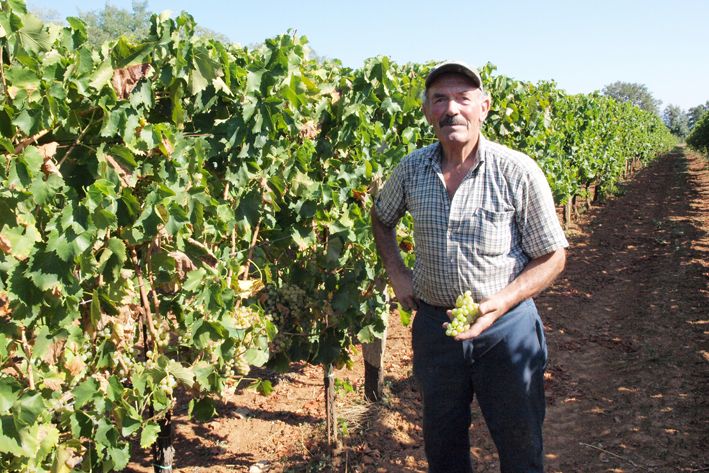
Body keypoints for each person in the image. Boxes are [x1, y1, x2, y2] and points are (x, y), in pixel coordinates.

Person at [371, 61, 568, 473]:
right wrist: (397, 272)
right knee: (442, 447)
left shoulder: (517, 170)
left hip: (506, 331)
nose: (452, 109)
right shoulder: (411, 169)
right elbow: (381, 218)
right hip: (436, 329)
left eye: (463, 98)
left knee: (520, 445)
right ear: (428, 112)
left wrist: (503, 301)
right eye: (440, 99)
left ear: (484, 107)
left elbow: (553, 255)